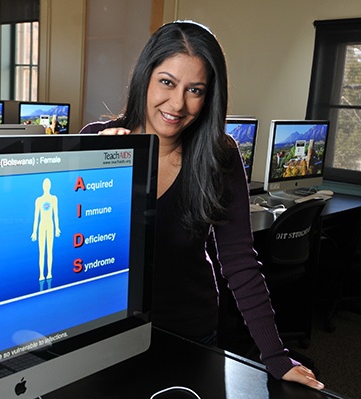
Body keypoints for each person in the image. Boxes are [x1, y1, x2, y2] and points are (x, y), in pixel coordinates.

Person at [80, 20, 325, 390]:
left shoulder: (218, 155)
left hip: (187, 332)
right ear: (145, 77)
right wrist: (102, 171)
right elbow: (73, 247)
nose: (177, 104)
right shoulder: (96, 141)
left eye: (195, 90)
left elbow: (240, 261)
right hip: (105, 330)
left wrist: (275, 356)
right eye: (166, 82)